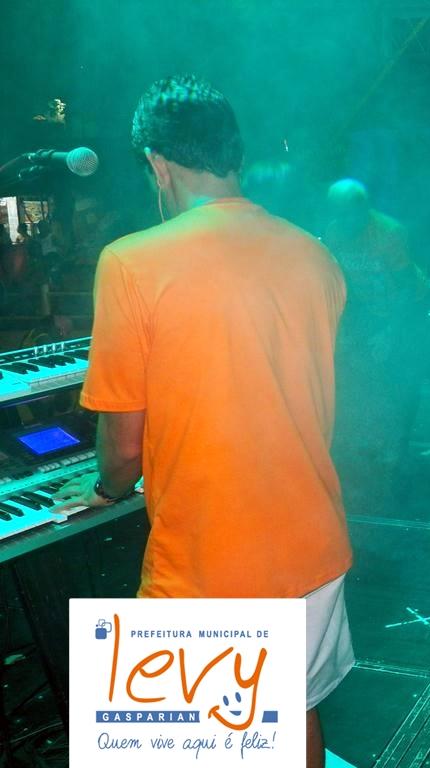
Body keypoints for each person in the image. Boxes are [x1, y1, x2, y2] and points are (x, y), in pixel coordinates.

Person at [51, 75, 352, 768]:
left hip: (209, 558)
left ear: (157, 162)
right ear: (231, 153)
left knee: (176, 744)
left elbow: (123, 446)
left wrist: (104, 489)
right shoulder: (314, 254)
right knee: (293, 713)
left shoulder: (131, 262)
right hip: (312, 542)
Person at [324, 179, 426, 513]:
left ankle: (397, 449)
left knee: (399, 377)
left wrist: (391, 333)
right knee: (358, 375)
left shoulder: (389, 233)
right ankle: (368, 442)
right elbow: (339, 283)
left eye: (349, 213)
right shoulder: (333, 233)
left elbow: (407, 288)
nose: (344, 220)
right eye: (337, 213)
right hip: (366, 312)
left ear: (363, 210)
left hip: (404, 310)